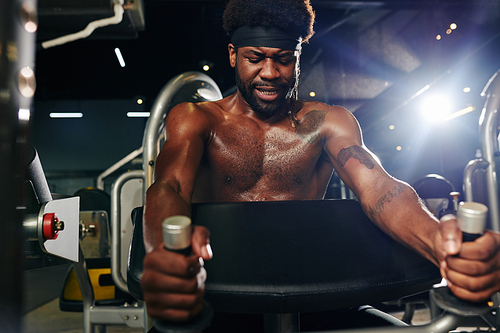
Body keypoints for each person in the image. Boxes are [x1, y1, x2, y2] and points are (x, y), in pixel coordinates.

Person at [141, 0, 500, 330]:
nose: (269, 72)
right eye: (256, 57)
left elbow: (380, 188)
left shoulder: (329, 122)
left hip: (316, 292)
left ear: (298, 57)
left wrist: (438, 241)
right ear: (234, 55)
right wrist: (164, 253)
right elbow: (169, 187)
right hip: (222, 296)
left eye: (283, 58)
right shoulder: (197, 119)